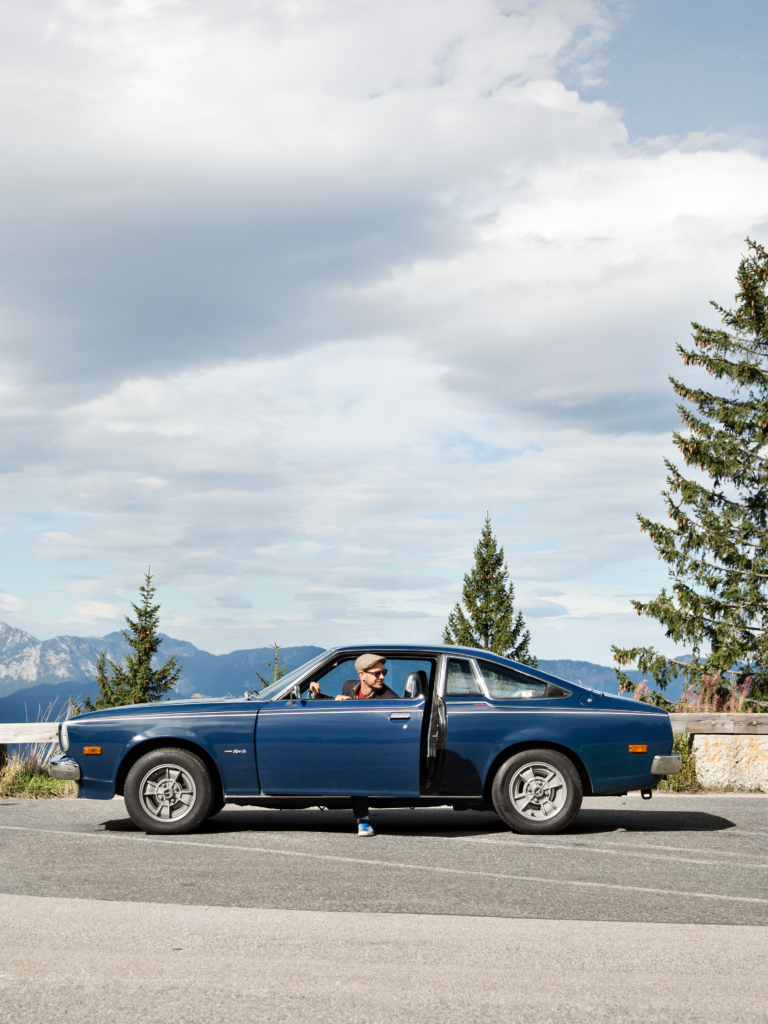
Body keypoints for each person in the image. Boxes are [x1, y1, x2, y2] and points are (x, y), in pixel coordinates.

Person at [308, 653, 398, 836]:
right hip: (353, 742)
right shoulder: (349, 686)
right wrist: (318, 696)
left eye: (383, 672)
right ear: (362, 675)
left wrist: (355, 706)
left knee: (357, 765)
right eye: (377, 673)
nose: (382, 677)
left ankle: (363, 820)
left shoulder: (388, 697)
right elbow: (337, 704)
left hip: (377, 749)